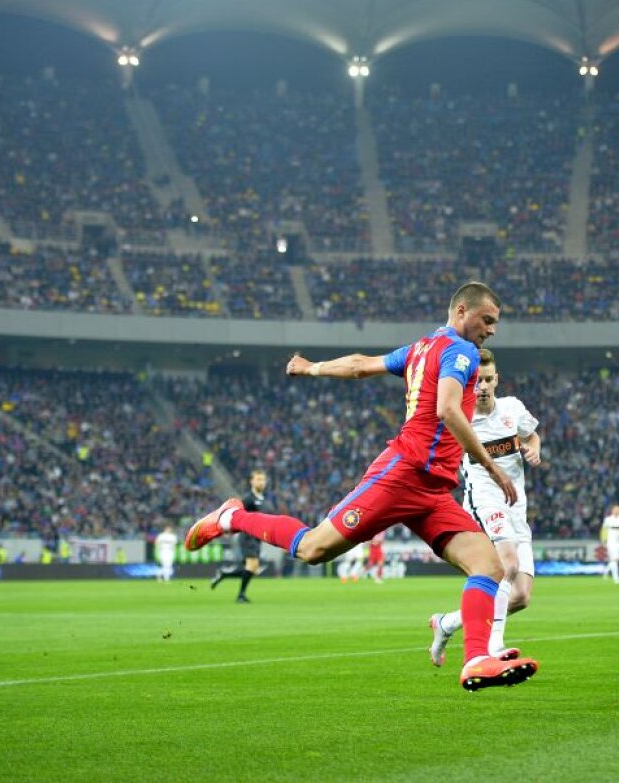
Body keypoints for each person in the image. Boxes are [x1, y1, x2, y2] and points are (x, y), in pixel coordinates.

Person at [184, 282, 538, 691]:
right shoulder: (462, 352)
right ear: (461, 312)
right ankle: (231, 517)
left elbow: (358, 364)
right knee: (313, 549)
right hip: (400, 476)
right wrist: (492, 467)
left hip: (432, 492)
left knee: (490, 566)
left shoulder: (420, 348)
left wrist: (312, 368)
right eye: (487, 320)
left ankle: (476, 659)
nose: (492, 330)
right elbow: (445, 409)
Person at [428, 347, 542, 665]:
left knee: (520, 596)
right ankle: (492, 647)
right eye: (476, 381)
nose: (482, 387)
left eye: (488, 380)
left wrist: (534, 450)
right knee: (506, 564)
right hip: (483, 499)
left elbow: (532, 436)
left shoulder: (512, 408)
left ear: (496, 380)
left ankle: (447, 622)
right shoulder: (461, 418)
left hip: (516, 505)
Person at [212, 470, 273, 603]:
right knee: (252, 566)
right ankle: (240, 595)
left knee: (252, 569)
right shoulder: (248, 499)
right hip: (247, 536)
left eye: (263, 480)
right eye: (258, 479)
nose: (261, 482)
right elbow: (237, 514)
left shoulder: (262, 500)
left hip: (257, 538)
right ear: (252, 481)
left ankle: (224, 575)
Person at [601, 504, 619, 584]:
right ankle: (616, 579)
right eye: (615, 509)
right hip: (611, 539)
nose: (617, 511)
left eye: (618, 509)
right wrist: (603, 540)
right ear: (612, 510)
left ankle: (606, 571)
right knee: (615, 558)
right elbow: (604, 530)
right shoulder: (608, 519)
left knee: (616, 560)